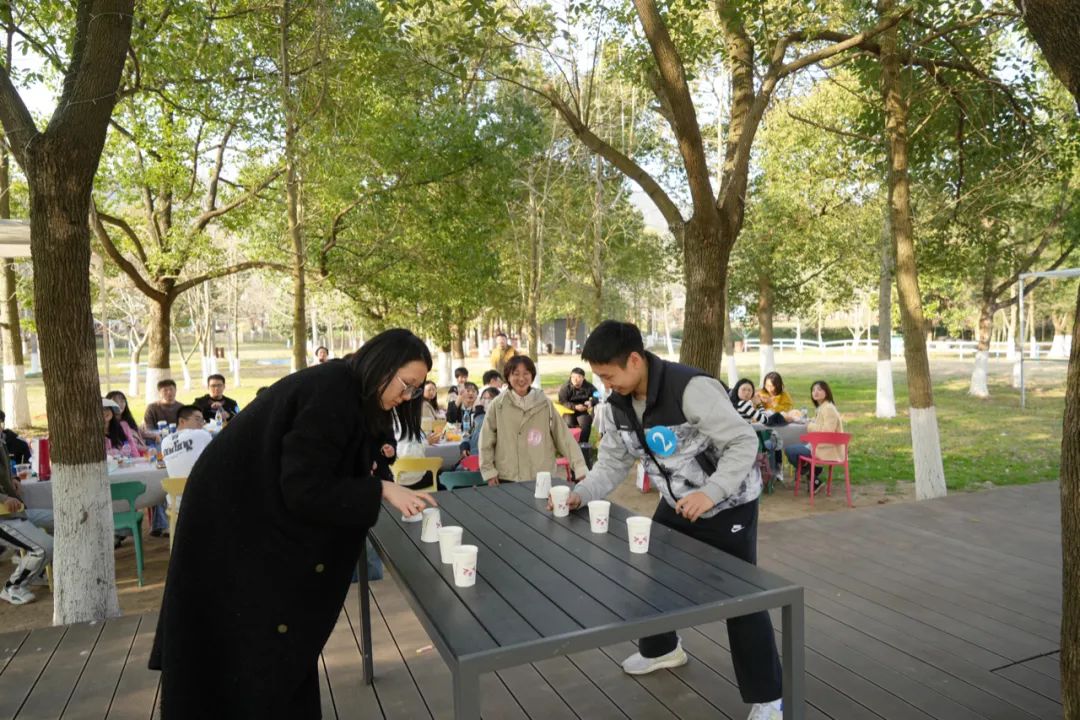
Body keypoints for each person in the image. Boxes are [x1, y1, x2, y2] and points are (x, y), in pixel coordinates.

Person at [150, 328, 438, 717]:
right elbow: (304, 488)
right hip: (232, 524)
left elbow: (353, 456)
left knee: (277, 655)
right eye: (407, 385)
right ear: (383, 366)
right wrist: (381, 490)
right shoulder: (332, 391)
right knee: (240, 651)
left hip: (255, 519)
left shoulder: (356, 393)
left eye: (416, 390)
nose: (407, 396)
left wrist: (377, 473)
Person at [558, 320, 782, 720]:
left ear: (634, 360)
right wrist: (582, 493)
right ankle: (663, 650)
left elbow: (743, 442)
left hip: (728, 503)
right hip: (678, 503)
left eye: (609, 376)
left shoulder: (690, 389)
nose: (605, 385)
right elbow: (612, 463)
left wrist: (711, 492)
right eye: (600, 378)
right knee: (649, 571)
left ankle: (770, 697)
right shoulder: (617, 405)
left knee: (741, 598)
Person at [478, 355, 587, 486]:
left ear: (532, 376)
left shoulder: (544, 403)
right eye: (516, 374)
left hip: (541, 475)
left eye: (526, 373)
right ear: (508, 376)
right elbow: (486, 440)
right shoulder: (498, 405)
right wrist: (489, 470)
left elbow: (563, 436)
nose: (521, 378)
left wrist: (580, 467)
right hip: (508, 475)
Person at [0, 452, 53, 605]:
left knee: (63, 520)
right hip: (4, 517)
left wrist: (13, 479)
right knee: (44, 547)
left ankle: (38, 572)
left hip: (15, 512)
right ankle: (12, 587)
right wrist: (4, 498)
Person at [784, 380, 843, 492]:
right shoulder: (824, 407)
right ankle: (813, 473)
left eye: (819, 389)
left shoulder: (828, 408)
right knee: (795, 449)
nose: (815, 392)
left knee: (789, 450)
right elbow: (822, 424)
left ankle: (811, 474)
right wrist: (812, 421)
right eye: (813, 390)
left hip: (826, 449)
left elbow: (827, 431)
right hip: (821, 446)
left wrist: (810, 426)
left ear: (826, 392)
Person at [162, 405, 214, 479]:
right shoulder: (201, 434)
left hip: (175, 486)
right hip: (200, 484)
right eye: (197, 419)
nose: (201, 424)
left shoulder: (165, 441)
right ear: (182, 421)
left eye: (202, 420)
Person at [557, 367, 598, 443]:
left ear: (583, 378)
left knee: (586, 422)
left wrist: (591, 402)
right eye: (573, 377)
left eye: (578, 377)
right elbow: (562, 401)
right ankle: (570, 444)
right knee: (568, 423)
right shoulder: (566, 387)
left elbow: (597, 394)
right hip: (568, 410)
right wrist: (575, 407)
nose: (575, 379)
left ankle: (583, 444)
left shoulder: (588, 386)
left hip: (582, 410)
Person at [459, 386, 498, 460]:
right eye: (484, 398)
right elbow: (468, 433)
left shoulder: (497, 419)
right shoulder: (476, 416)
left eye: (490, 398)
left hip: (484, 461)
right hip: (472, 458)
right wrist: (465, 445)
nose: (486, 401)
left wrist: (479, 415)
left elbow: (482, 436)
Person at [106, 390, 149, 455]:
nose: (119, 404)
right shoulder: (110, 425)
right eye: (115, 401)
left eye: (122, 401)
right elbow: (130, 445)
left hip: (137, 453)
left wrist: (154, 436)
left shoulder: (126, 421)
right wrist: (147, 449)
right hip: (128, 455)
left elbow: (140, 433)